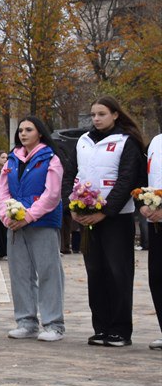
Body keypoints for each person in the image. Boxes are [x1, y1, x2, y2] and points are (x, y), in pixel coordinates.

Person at [70, 96, 148, 347]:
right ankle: (101, 327)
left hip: (116, 218)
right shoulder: (83, 141)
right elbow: (71, 174)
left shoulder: (127, 141)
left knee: (118, 272)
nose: (96, 119)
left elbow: (127, 180)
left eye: (101, 114)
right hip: (86, 216)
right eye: (93, 114)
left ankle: (120, 329)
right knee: (95, 272)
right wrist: (72, 205)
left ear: (115, 114)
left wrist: (105, 211)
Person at [0, 117, 65, 341]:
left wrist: (29, 215)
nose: (23, 134)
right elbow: (1, 191)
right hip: (15, 224)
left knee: (48, 272)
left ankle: (54, 324)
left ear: (40, 133)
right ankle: (26, 322)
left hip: (42, 222)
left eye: (29, 130)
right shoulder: (12, 160)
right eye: (21, 130)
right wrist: (6, 216)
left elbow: (52, 194)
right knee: (19, 273)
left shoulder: (51, 159)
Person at [142, 132, 162, 350]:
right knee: (157, 276)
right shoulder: (156, 141)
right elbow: (145, 178)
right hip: (156, 220)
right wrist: (144, 204)